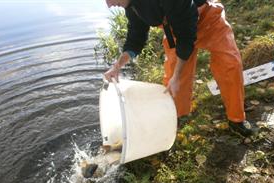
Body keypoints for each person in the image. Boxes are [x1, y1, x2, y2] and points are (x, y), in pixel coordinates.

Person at [104, 0, 253, 137]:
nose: (109, 5)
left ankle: (236, 120)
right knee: (173, 83)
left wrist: (177, 75)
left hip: (208, 21)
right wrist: (117, 66)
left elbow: (186, 36)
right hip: (176, 31)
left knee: (230, 65)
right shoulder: (132, 8)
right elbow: (135, 39)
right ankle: (176, 116)